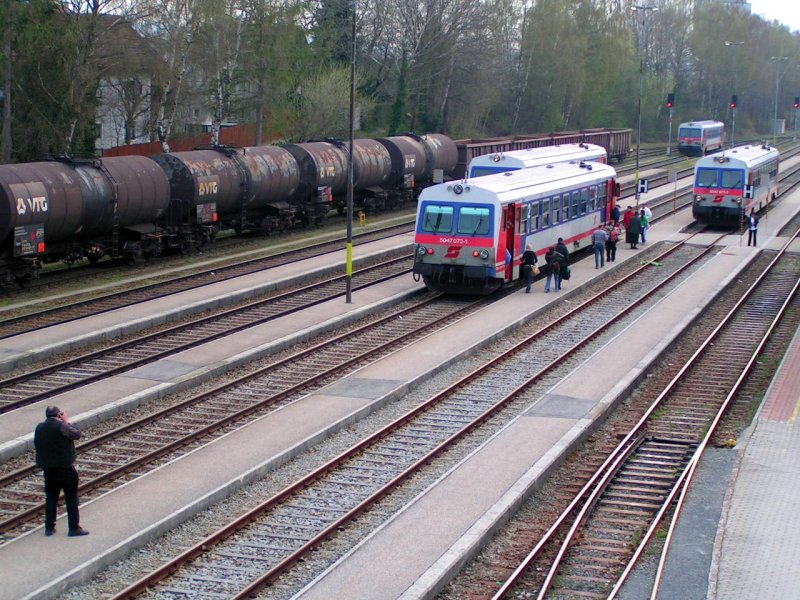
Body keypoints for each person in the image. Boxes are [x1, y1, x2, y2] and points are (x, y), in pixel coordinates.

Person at [34, 406, 89, 537]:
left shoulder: (39, 427)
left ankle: (49, 528)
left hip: (48, 470)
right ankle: (74, 528)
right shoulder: (62, 426)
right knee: (71, 498)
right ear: (58, 415)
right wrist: (66, 421)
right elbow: (77, 434)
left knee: (51, 498)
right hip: (65, 469)